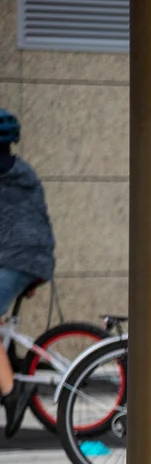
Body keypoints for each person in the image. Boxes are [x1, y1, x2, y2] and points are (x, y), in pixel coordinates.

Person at [0, 108, 55, 438]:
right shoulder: (23, 170)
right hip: (33, 258)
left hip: (16, 259)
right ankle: (8, 364)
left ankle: (12, 391)